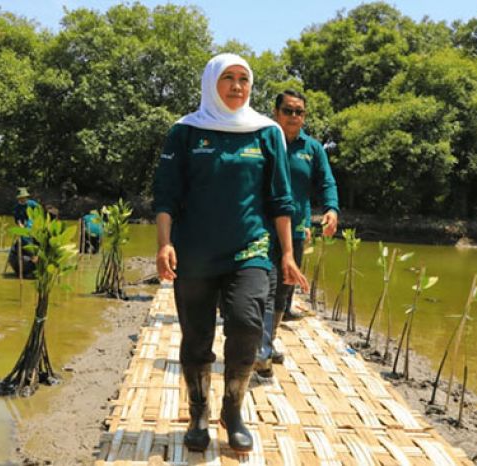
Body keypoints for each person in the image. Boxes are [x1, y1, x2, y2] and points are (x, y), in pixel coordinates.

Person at [153, 54, 308, 453]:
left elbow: (280, 200)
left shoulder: (267, 132)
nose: (237, 86)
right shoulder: (185, 131)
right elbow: (166, 195)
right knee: (196, 338)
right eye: (228, 78)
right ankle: (199, 412)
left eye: (244, 79)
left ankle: (233, 410)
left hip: (251, 249)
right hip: (196, 254)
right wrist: (164, 244)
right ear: (210, 83)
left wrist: (287, 255)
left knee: (246, 325)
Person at [254, 90, 339, 378]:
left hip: (297, 227)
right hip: (262, 226)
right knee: (264, 283)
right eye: (288, 111)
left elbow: (327, 181)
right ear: (276, 112)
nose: (294, 117)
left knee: (284, 288)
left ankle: (268, 340)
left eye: (299, 112)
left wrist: (332, 209)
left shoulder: (312, 148)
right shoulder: (262, 140)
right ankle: (260, 347)